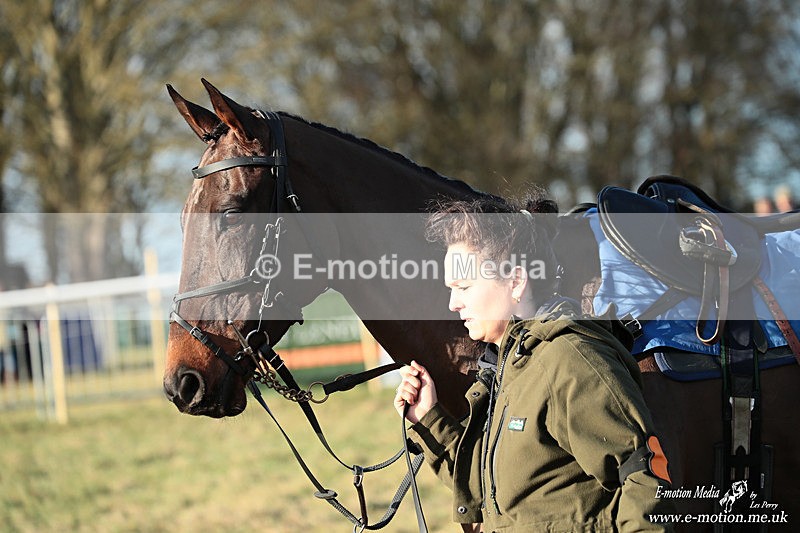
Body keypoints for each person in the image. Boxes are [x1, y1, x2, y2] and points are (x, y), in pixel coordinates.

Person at [394, 192, 674, 532]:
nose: (453, 303)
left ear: (515, 282)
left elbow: (643, 479)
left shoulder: (570, 359)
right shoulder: (508, 370)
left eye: (464, 287)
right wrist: (429, 417)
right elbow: (492, 495)